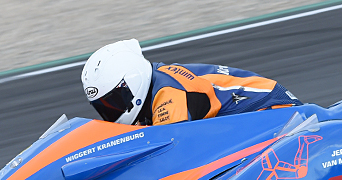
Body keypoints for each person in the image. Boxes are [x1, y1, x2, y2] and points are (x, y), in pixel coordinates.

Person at [81, 39, 302, 126]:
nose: (111, 110)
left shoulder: (168, 95)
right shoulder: (155, 82)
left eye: (113, 101)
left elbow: (170, 155)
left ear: (132, 82)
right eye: (103, 107)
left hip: (278, 113)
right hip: (255, 113)